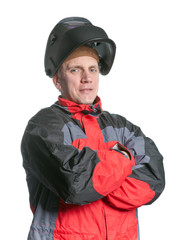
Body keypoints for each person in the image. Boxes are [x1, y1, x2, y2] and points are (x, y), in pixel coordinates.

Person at [21, 17, 165, 240]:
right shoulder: (42, 128)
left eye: (93, 69)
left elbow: (152, 182)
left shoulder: (124, 127)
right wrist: (124, 158)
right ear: (58, 80)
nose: (87, 78)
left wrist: (99, 179)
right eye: (75, 69)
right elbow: (76, 185)